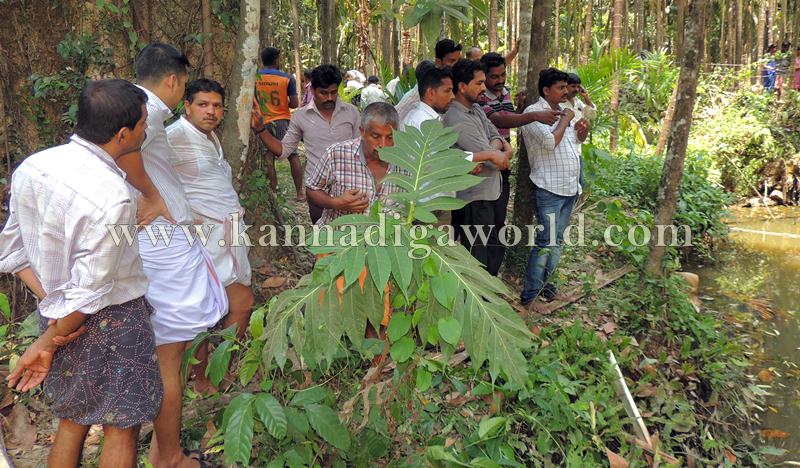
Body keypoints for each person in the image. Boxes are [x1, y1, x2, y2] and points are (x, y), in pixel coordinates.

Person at [1, 80, 162, 468]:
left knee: (72, 420)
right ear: (122, 134)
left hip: (59, 316)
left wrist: (53, 307)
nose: (146, 130)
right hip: (113, 321)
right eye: (143, 123)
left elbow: (12, 252)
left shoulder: (34, 166)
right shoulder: (114, 196)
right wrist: (48, 341)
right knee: (122, 427)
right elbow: (90, 293)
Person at [123, 43, 228, 468]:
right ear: (173, 80)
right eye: (185, 85)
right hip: (164, 251)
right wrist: (152, 195)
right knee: (170, 357)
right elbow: (124, 152)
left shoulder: (128, 104)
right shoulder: (144, 112)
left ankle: (159, 449)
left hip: (155, 246)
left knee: (164, 354)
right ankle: (167, 456)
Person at [166, 78, 255, 395]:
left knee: (241, 303)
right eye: (203, 104)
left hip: (226, 233)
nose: (211, 111)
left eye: (217, 106)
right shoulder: (173, 137)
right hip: (200, 238)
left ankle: (220, 370)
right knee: (202, 312)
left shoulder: (211, 137)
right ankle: (204, 380)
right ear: (187, 106)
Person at [478, 52, 562, 269]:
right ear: (484, 76)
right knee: (483, 222)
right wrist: (532, 115)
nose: (500, 80)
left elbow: (508, 119)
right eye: (494, 76)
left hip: (503, 161)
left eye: (503, 75)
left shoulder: (504, 92)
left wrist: (520, 109)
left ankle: (493, 270)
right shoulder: (480, 96)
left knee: (498, 219)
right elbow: (498, 120)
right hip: (484, 163)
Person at [252, 64, 361, 224]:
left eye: (333, 92)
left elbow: (362, 149)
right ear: (312, 90)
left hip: (349, 188)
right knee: (322, 235)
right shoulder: (301, 117)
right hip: (317, 191)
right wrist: (261, 130)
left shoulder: (351, 113)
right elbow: (283, 150)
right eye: (324, 93)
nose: (329, 98)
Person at [519, 68, 589, 308]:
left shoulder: (564, 110)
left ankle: (549, 289)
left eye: (565, 87)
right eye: (560, 88)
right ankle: (529, 296)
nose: (565, 91)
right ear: (546, 90)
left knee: (557, 241)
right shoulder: (533, 113)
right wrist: (566, 119)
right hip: (549, 188)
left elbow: (575, 141)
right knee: (545, 242)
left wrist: (582, 132)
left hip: (569, 187)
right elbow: (550, 142)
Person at [443, 59, 512, 276]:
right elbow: (493, 159)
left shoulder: (476, 109)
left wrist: (496, 150)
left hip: (491, 191)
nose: (484, 88)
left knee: (493, 249)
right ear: (462, 86)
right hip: (474, 198)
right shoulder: (455, 117)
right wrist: (497, 153)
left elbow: (497, 136)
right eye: (479, 83)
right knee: (477, 258)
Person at [305, 102, 404, 226]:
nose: (383, 145)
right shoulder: (337, 154)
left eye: (390, 137)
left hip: (385, 237)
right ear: (362, 132)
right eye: (376, 136)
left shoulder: (405, 163)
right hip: (337, 236)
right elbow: (312, 190)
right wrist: (336, 203)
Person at [255, 47, 304, 200]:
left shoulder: (255, 77)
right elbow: (294, 103)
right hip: (282, 119)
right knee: (293, 155)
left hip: (262, 121)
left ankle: (274, 192)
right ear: (276, 60)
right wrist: (283, 102)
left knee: (268, 157)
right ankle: (299, 193)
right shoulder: (287, 78)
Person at [395, 38, 463, 120]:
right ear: (438, 62)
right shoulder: (417, 93)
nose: (458, 65)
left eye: (459, 60)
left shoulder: (459, 84)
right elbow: (395, 116)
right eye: (452, 61)